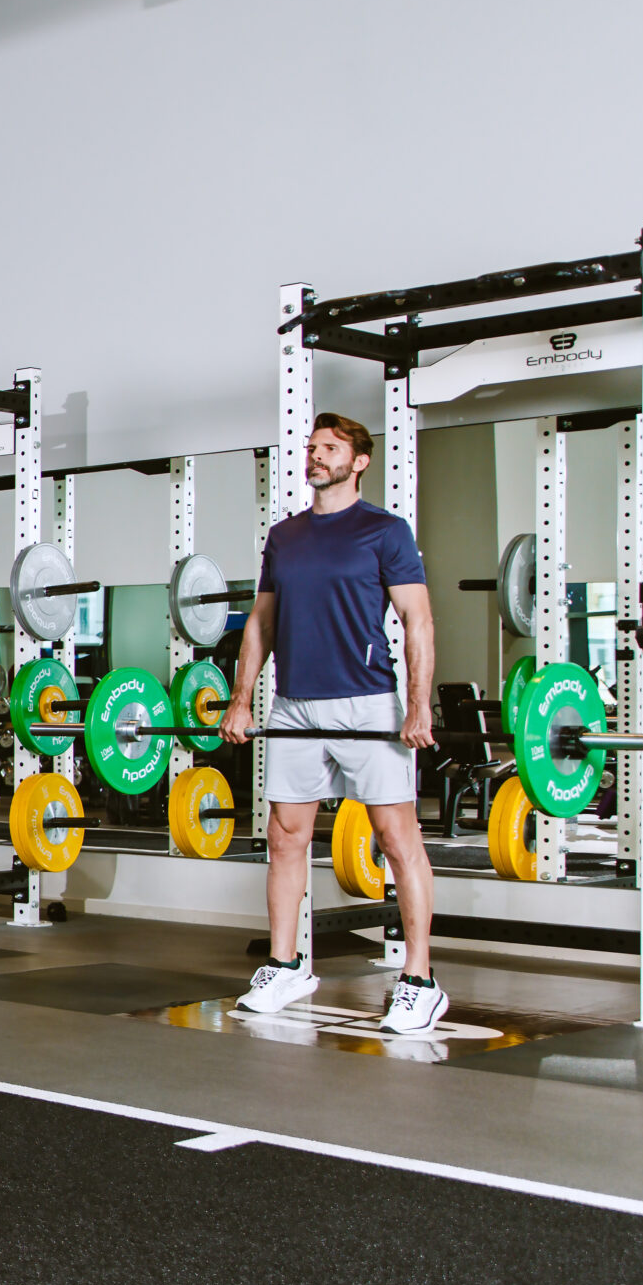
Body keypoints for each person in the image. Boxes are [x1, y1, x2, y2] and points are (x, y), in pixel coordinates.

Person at [221, 412, 446, 1034]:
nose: (316, 456)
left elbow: (417, 622)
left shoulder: (385, 531)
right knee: (286, 837)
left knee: (398, 841)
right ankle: (285, 965)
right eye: (312, 447)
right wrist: (242, 699)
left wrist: (419, 705)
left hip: (367, 703)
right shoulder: (285, 536)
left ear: (359, 460)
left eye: (330, 448)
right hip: (294, 703)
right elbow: (260, 623)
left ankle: (420, 980)